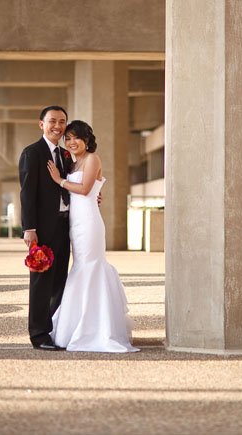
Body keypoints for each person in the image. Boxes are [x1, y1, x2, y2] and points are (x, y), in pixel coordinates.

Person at [46, 120, 138, 352]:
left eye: (76, 137)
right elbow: (88, 191)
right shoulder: (72, 163)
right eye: (67, 138)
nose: (71, 142)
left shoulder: (92, 158)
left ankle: (96, 327)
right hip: (75, 223)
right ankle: (78, 324)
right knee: (79, 267)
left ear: (86, 140)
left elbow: (86, 189)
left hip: (89, 223)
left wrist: (59, 180)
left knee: (90, 267)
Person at [19, 105, 72, 350]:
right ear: (42, 124)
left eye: (62, 122)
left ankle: (52, 330)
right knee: (41, 282)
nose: (57, 126)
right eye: (52, 121)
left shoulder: (65, 154)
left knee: (59, 281)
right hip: (42, 228)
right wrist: (29, 228)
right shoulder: (33, 153)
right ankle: (39, 336)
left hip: (65, 226)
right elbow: (27, 193)